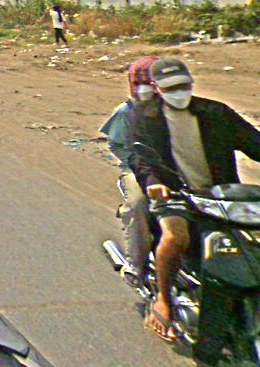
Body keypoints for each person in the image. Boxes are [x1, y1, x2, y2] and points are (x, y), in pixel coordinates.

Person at [129, 58, 260, 340]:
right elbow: (140, 158)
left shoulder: (216, 112)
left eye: (183, 85)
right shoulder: (145, 116)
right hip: (176, 193)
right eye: (170, 88)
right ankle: (163, 300)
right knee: (176, 237)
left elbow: (254, 144)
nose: (178, 92)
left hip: (221, 195)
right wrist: (154, 183)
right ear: (157, 88)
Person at [100, 56, 158, 286]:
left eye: (149, 82)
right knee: (139, 203)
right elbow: (116, 144)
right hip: (136, 170)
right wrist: (134, 163)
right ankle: (136, 265)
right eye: (138, 83)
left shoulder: (172, 110)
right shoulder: (126, 111)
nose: (143, 89)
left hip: (172, 170)